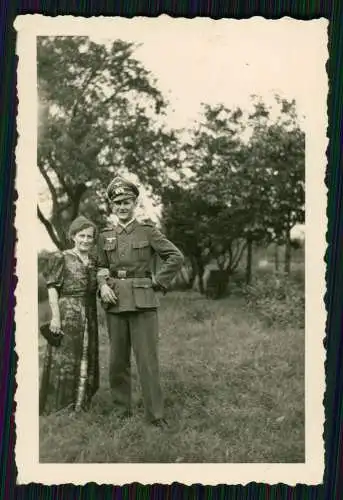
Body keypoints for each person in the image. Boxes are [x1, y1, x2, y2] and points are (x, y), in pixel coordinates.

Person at [97, 176, 184, 428]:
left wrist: (159, 282)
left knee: (147, 360)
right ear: (111, 207)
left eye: (127, 202)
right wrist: (103, 285)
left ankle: (155, 415)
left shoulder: (148, 231)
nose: (122, 207)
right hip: (113, 301)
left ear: (135, 203)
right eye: (117, 203)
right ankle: (120, 410)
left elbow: (174, 257)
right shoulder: (105, 236)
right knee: (117, 361)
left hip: (143, 301)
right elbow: (101, 265)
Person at [39, 216, 100, 415]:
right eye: (81, 236)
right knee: (65, 357)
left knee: (86, 354)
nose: (85, 240)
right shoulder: (61, 257)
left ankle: (82, 403)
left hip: (89, 313)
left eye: (89, 237)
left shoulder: (94, 261)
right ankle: (59, 407)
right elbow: (52, 289)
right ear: (73, 236)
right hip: (68, 312)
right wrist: (55, 317)